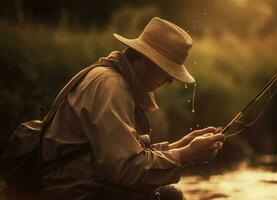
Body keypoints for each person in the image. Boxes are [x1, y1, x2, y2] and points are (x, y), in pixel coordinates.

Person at [41, 17, 225, 200]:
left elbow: (125, 155)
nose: (169, 81)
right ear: (146, 60)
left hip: (85, 185)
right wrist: (187, 155)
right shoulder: (111, 87)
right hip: (72, 192)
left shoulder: (114, 81)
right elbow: (127, 169)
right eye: (166, 71)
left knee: (169, 195)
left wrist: (181, 145)